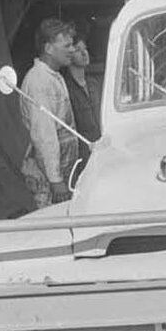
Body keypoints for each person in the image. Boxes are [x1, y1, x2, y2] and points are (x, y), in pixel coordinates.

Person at [19, 18, 80, 206]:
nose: (72, 50)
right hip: (49, 178)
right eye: (67, 45)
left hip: (64, 169)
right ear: (49, 48)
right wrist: (56, 180)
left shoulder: (55, 77)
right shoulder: (39, 82)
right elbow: (44, 135)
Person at [65, 34, 102, 170]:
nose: (83, 52)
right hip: (83, 154)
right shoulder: (66, 88)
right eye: (77, 49)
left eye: (85, 48)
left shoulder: (94, 83)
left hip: (102, 147)